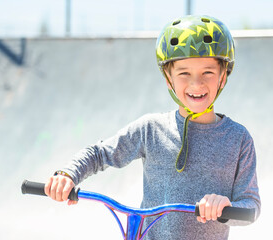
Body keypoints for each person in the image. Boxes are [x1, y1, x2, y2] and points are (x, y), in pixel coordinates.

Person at [45, 15, 261, 239]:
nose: (196, 83)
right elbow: (100, 154)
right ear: (169, 79)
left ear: (223, 77)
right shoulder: (151, 129)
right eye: (184, 73)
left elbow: (251, 205)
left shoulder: (237, 138)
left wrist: (224, 208)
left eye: (208, 72)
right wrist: (67, 174)